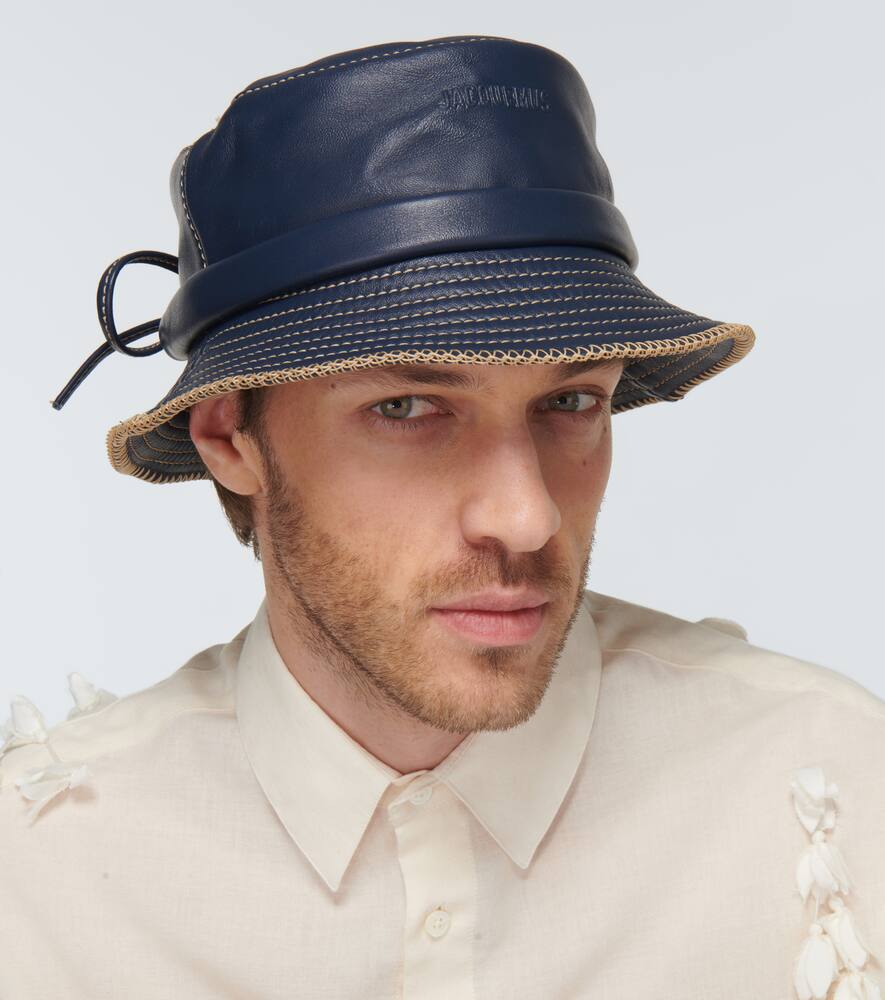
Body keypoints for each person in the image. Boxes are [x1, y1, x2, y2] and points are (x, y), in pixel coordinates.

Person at [2, 34, 883, 1000]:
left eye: (571, 401)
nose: (526, 516)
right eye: (407, 408)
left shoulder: (832, 780)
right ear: (229, 436)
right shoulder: (40, 876)